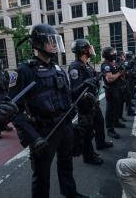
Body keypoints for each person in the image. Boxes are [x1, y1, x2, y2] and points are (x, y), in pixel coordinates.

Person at [11, 24, 88, 198]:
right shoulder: (24, 71)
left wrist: (83, 87)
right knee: (41, 175)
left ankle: (70, 193)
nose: (54, 44)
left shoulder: (57, 68)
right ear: (38, 42)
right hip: (44, 131)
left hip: (65, 125)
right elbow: (14, 110)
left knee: (66, 164)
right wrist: (33, 137)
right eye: (50, 40)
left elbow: (67, 97)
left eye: (56, 40)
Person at [68, 39, 112, 165]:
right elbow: (75, 91)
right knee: (87, 132)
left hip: (93, 101)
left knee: (99, 122)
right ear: (83, 50)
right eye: (88, 48)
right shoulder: (75, 66)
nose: (91, 50)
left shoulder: (86, 64)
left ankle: (101, 143)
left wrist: (97, 77)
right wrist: (85, 84)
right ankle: (88, 156)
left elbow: (93, 80)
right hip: (85, 104)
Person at [101, 47, 126, 139]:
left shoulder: (113, 64)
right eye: (112, 53)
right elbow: (110, 78)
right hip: (111, 91)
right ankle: (110, 130)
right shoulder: (105, 65)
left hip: (117, 89)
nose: (114, 54)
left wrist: (124, 69)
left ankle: (116, 122)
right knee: (110, 110)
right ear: (108, 54)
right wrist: (120, 72)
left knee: (116, 108)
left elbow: (120, 74)